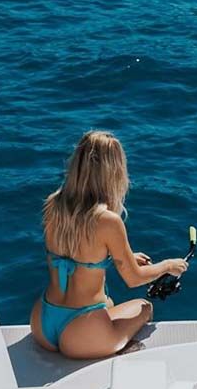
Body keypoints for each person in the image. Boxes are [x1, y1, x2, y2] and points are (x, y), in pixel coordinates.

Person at [30, 130, 188, 359]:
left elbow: (76, 254)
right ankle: (111, 344)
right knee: (144, 308)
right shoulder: (107, 221)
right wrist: (168, 265)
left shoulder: (54, 203)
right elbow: (133, 279)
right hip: (81, 332)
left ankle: (98, 332)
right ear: (114, 172)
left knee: (109, 302)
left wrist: (124, 255)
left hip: (42, 321)